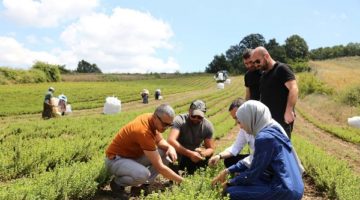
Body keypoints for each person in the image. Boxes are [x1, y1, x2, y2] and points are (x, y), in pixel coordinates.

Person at [211, 100, 304, 200]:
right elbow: (253, 159)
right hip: (294, 185)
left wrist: (229, 183)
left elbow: (253, 173)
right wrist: (228, 171)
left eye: (240, 122)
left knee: (231, 192)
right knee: (243, 178)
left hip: (285, 191)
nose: (241, 126)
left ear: (250, 118)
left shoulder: (263, 138)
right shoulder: (273, 128)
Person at [105, 104, 183, 199]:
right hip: (116, 160)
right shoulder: (143, 131)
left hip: (131, 157)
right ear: (155, 117)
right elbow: (160, 167)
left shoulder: (151, 119)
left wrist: (170, 147)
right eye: (164, 124)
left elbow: (160, 141)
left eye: (169, 125)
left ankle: (141, 186)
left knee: (165, 153)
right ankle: (117, 184)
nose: (166, 127)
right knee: (143, 174)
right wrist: (182, 181)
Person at [251, 46, 299, 138]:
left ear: (266, 56)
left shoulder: (281, 69)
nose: (256, 65)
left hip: (282, 121)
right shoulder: (263, 76)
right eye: (254, 63)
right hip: (268, 122)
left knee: (282, 149)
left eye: (257, 61)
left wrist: (289, 110)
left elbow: (293, 88)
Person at [168, 100, 215, 175]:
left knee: (207, 160)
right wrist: (190, 154)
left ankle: (193, 173)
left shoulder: (207, 126)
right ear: (189, 111)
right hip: (180, 153)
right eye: (193, 116)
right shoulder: (180, 120)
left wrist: (203, 154)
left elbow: (211, 148)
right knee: (169, 151)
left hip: (195, 156)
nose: (196, 119)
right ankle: (174, 175)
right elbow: (171, 140)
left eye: (199, 117)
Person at [208, 98, 254, 168]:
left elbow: (262, 157)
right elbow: (236, 147)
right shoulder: (244, 129)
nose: (237, 121)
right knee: (229, 160)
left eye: (238, 117)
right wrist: (219, 156)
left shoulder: (261, 127)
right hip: (254, 157)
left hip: (264, 160)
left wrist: (232, 169)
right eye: (235, 118)